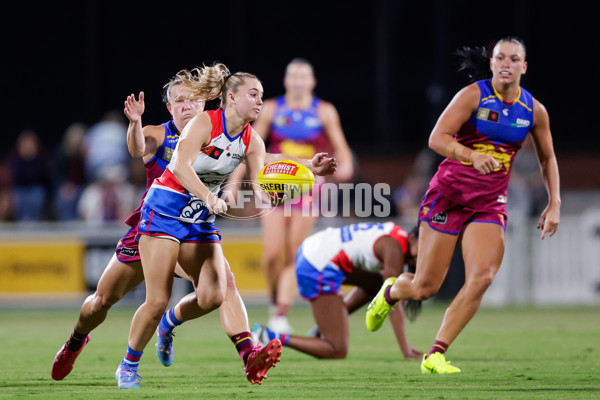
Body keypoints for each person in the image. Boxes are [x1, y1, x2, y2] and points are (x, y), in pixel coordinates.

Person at [51, 73, 337, 386]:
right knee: (105, 301)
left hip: (196, 221)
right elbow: (144, 153)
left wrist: (295, 178)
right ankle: (78, 341)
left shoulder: (243, 136)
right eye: (180, 101)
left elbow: (260, 168)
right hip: (157, 219)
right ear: (170, 107)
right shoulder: (166, 134)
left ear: (205, 101)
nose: (188, 107)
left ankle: (243, 351)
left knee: (220, 288)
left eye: (193, 100)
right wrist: (134, 123)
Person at [365, 37, 561, 374]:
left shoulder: (534, 110)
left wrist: (554, 202)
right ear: (492, 63)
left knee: (483, 277)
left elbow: (548, 158)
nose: (506, 64)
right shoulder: (474, 95)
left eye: (514, 59)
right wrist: (471, 155)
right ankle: (390, 291)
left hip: (488, 205)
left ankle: (436, 353)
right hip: (448, 197)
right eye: (500, 57)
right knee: (425, 287)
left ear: (524, 67)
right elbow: (436, 138)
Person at [251, 58, 354, 333]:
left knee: (295, 252)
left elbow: (342, 149)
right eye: (293, 75)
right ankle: (275, 301)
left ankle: (281, 311)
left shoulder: (324, 111)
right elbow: (251, 149)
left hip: (308, 187)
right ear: (286, 81)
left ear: (312, 82)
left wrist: (343, 168)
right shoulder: (272, 108)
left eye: (303, 76)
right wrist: (239, 182)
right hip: (274, 185)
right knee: (272, 253)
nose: (297, 80)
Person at [252, 221, 423, 360]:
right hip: (317, 262)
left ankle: (323, 328)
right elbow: (391, 298)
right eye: (422, 249)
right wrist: (405, 348)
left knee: (377, 284)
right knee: (336, 350)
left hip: (315, 249)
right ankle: (269, 336)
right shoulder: (395, 249)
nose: (421, 257)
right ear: (413, 237)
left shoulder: (394, 234)